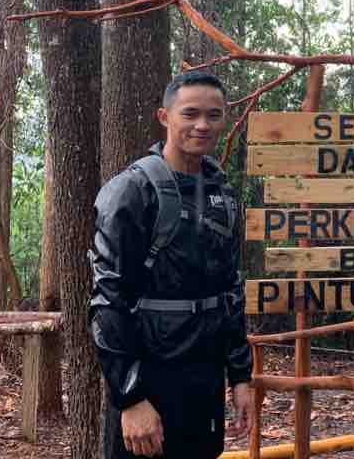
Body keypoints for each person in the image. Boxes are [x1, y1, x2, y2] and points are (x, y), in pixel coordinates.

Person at [89, 70, 254, 458]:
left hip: (205, 379)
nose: (202, 125)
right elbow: (106, 299)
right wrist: (130, 398)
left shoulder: (221, 193)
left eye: (214, 115)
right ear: (165, 117)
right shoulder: (131, 192)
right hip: (150, 379)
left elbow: (229, 290)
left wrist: (240, 377)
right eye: (190, 113)